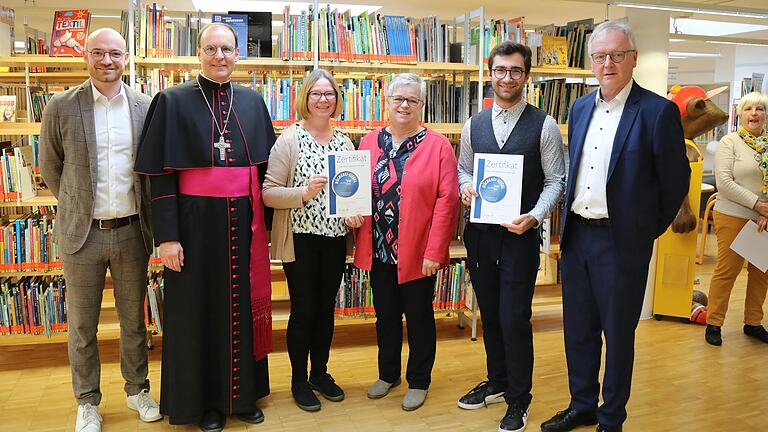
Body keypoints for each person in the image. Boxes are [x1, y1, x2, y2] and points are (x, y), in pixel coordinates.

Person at [540, 21, 690, 432]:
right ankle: (582, 404)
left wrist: (643, 230)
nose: (608, 64)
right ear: (591, 62)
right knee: (579, 331)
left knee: (618, 335)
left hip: (622, 243)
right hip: (577, 237)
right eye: (600, 56)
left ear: (633, 59)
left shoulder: (658, 112)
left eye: (617, 55)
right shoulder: (580, 107)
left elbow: (675, 181)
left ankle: (611, 418)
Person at [134, 23, 275, 431]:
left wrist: (262, 230)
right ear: (198, 52)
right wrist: (168, 237)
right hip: (193, 226)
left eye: (227, 49)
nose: (220, 56)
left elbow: (263, 173)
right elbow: (159, 176)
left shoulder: (251, 102)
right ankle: (205, 404)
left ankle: (242, 397)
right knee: (198, 313)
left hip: (242, 224)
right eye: (211, 48)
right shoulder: (172, 100)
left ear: (237, 54)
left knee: (241, 309)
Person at [39, 28, 160, 432]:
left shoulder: (145, 106)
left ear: (127, 57)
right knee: (82, 324)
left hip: (131, 232)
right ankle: (87, 401)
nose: (106, 61)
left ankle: (137, 390)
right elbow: (50, 168)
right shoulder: (61, 106)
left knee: (133, 320)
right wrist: (77, 205)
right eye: (97, 53)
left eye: (114, 54)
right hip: (82, 234)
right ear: (85, 57)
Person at [456, 41, 565, 432]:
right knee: (489, 312)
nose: (507, 78)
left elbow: (556, 181)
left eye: (515, 71)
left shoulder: (545, 125)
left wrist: (534, 217)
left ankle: (520, 397)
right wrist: (466, 188)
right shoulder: (473, 124)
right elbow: (463, 171)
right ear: (490, 74)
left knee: (515, 317)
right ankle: (498, 381)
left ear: (527, 76)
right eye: (500, 70)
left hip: (520, 237)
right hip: (481, 237)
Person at [345, 73, 458, 412]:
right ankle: (388, 373)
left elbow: (448, 201)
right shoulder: (368, 142)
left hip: (417, 253)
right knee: (386, 316)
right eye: (399, 99)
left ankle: (419, 380)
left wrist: (434, 251)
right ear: (387, 102)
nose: (405, 105)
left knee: (420, 318)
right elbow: (355, 190)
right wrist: (352, 215)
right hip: (378, 248)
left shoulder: (438, 146)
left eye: (412, 100)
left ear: (422, 105)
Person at [262, 69, 353, 411]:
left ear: (336, 100)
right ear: (305, 98)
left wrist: (352, 214)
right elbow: (268, 194)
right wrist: (303, 192)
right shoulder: (289, 139)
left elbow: (350, 193)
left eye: (329, 94)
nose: (323, 99)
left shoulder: (345, 142)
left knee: (326, 310)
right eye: (316, 93)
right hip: (299, 239)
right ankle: (299, 380)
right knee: (304, 311)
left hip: (333, 239)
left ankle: (320, 373)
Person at [704, 91, 768, 346]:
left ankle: (753, 322)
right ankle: (714, 323)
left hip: (763, 219)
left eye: (760, 109)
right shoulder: (729, 143)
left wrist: (765, 211)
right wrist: (758, 205)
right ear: (740, 114)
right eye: (749, 109)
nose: (754, 114)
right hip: (733, 215)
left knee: (761, 272)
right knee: (727, 271)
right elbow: (724, 183)